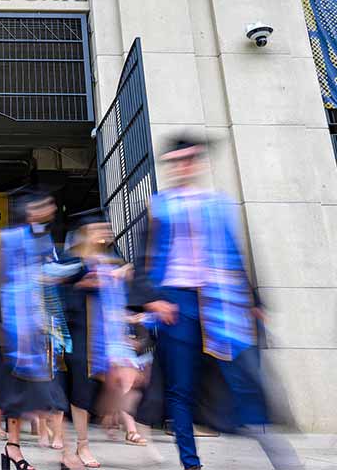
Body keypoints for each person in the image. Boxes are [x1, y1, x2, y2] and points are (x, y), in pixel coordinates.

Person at [130, 136, 304, 470]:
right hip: (176, 305)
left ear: (197, 164)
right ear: (171, 167)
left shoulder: (217, 205)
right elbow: (143, 263)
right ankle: (190, 464)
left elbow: (236, 256)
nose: (184, 166)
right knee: (180, 388)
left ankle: (276, 452)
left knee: (243, 377)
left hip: (220, 302)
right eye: (178, 161)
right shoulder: (158, 208)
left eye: (190, 159)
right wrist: (153, 299)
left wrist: (254, 301)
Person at [0, 185, 80, 470]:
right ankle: (14, 449)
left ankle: (66, 451)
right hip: (11, 330)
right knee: (15, 396)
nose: (51, 210)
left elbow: (51, 274)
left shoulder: (44, 241)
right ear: (31, 210)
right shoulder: (10, 240)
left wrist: (78, 268)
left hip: (39, 329)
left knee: (51, 393)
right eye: (45, 205)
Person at [62, 209, 142, 468]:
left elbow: (126, 297)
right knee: (81, 393)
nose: (105, 233)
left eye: (107, 229)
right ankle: (81, 445)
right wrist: (82, 286)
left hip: (112, 338)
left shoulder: (114, 261)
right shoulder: (74, 261)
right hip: (84, 336)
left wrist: (126, 272)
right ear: (87, 233)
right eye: (99, 229)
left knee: (125, 385)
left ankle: (117, 419)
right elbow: (59, 296)